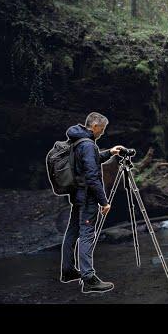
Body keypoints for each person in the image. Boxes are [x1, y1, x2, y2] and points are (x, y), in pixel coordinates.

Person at [60, 112, 124, 294]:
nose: (102, 133)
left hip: (76, 194)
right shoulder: (88, 144)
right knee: (87, 234)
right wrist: (104, 202)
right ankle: (88, 279)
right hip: (87, 197)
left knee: (72, 231)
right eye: (102, 129)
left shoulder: (77, 140)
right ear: (94, 126)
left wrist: (109, 153)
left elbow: (89, 162)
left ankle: (67, 271)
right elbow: (92, 175)